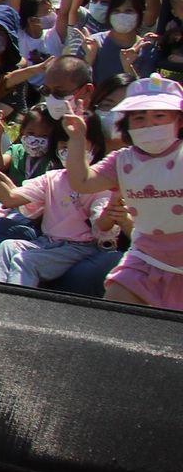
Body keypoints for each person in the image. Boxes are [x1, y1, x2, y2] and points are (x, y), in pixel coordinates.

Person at [61, 77, 183, 308]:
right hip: (145, 259)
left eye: (159, 116)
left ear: (179, 119)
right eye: (139, 117)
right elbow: (82, 182)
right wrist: (77, 139)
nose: (149, 124)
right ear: (126, 124)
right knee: (115, 316)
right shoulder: (123, 161)